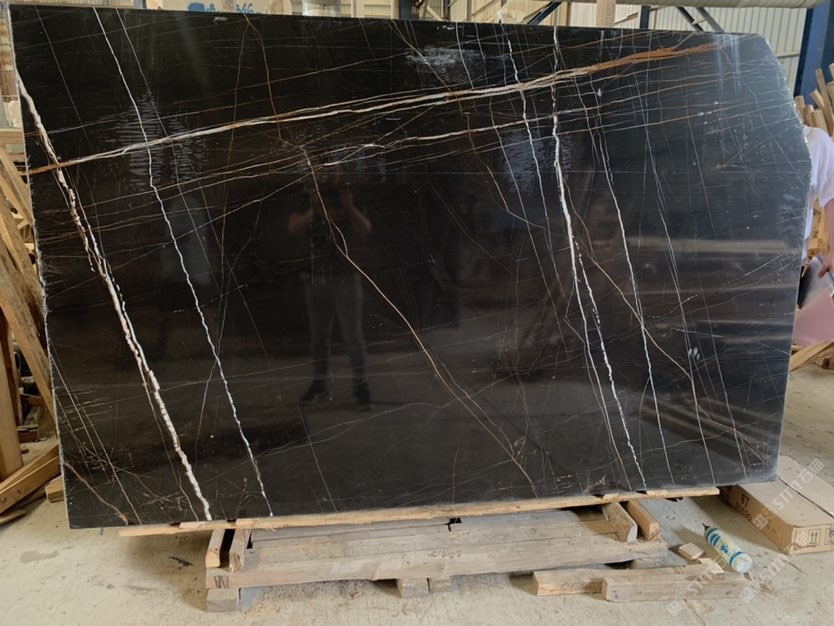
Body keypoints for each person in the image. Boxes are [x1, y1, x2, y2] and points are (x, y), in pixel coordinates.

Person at [288, 172, 373, 410]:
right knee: (319, 334)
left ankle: (361, 386)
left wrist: (349, 207)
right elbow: (293, 227)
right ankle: (320, 384)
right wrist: (315, 210)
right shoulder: (307, 194)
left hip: (345, 274)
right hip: (316, 274)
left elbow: (365, 229)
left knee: (352, 334)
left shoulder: (348, 190)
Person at [803, 124, 834, 276]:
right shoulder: (734, 141)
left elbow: (831, 198)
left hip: (788, 267)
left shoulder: (814, 140)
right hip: (732, 259)